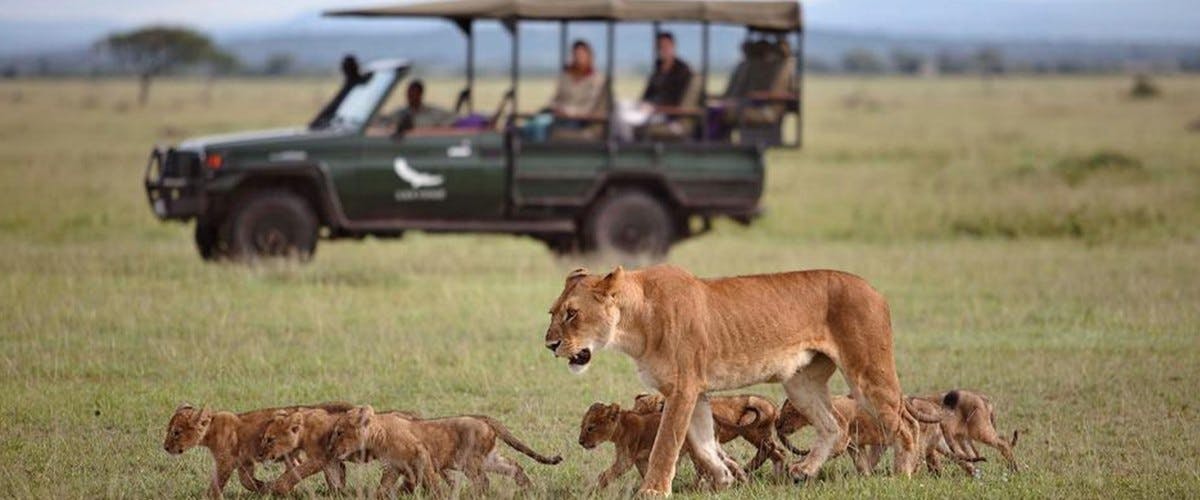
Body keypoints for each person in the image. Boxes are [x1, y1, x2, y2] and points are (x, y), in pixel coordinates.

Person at [616, 32, 696, 141]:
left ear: (673, 47)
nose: (663, 50)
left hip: (665, 113)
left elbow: (677, 99)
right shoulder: (658, 68)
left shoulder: (682, 71)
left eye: (666, 46)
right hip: (648, 108)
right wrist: (643, 104)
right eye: (660, 47)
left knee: (625, 121)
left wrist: (655, 108)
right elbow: (647, 92)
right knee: (619, 108)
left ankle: (629, 148)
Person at [541, 39, 607, 141]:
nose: (578, 58)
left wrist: (569, 112)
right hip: (559, 115)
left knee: (544, 130)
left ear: (589, 56)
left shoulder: (596, 80)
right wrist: (555, 107)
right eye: (576, 54)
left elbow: (590, 107)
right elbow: (554, 98)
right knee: (536, 125)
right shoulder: (565, 76)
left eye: (582, 54)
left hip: (580, 120)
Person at [391, 79, 455, 132]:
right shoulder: (400, 114)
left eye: (414, 94)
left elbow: (452, 119)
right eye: (409, 94)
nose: (411, 97)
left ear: (420, 94)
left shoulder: (432, 112)